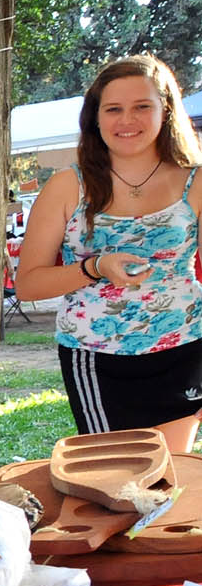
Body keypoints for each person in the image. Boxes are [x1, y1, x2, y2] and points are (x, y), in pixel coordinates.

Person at [16, 54, 202, 452]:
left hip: (185, 347)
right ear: (95, 118)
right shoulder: (67, 187)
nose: (127, 120)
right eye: (113, 109)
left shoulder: (196, 180)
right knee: (117, 480)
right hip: (96, 357)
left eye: (142, 107)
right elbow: (28, 284)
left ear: (165, 111)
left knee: (168, 475)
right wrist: (95, 267)